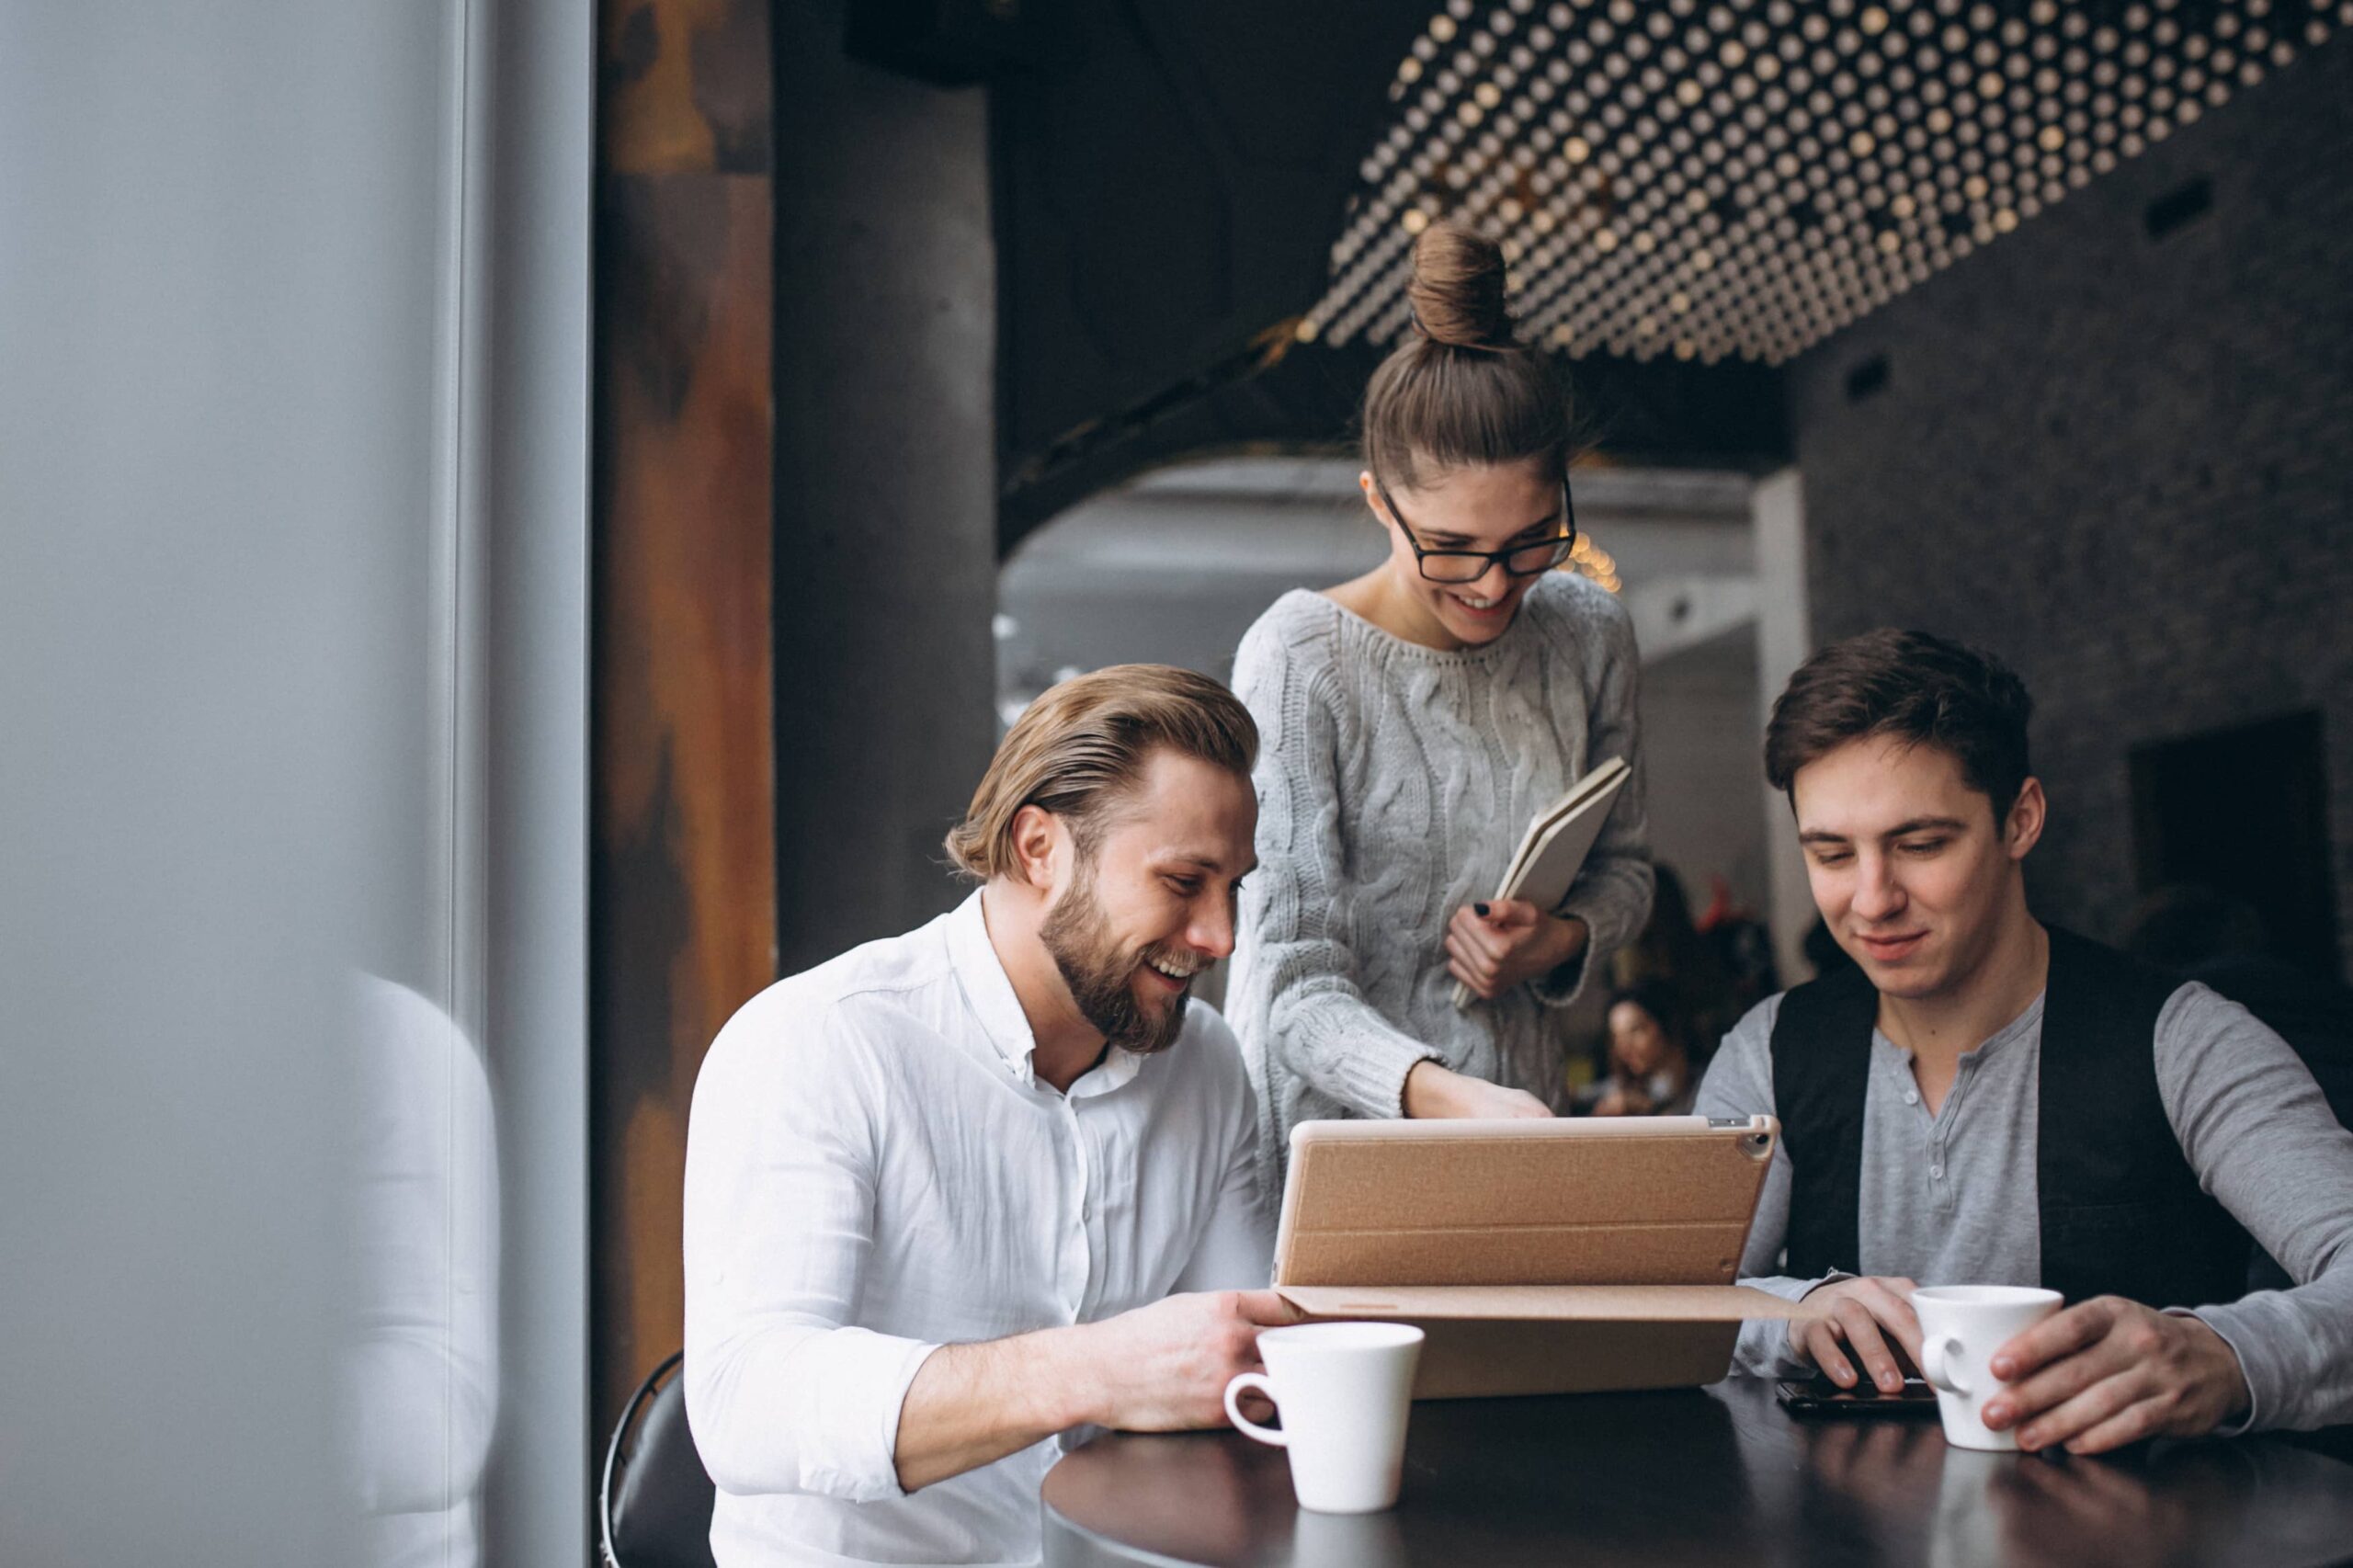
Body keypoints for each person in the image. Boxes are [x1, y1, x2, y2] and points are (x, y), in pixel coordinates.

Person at [683, 665, 1294, 1568]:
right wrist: (1090, 1367)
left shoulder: (1205, 1065)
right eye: (1182, 880)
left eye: (1234, 885)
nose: (1221, 936)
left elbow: (1238, 1369)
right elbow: (745, 1405)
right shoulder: (820, 1038)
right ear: (1039, 846)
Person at [1697, 629, 2353, 1452]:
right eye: (1832, 854)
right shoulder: (1769, 1051)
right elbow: (1670, 1302)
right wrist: (1791, 1315)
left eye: (1921, 845)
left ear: (2021, 820)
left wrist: (2225, 1356)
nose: (1872, 900)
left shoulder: (2184, 1040)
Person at [1228, 221, 1653, 1197]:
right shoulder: (1298, 657)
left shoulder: (1589, 634)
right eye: (1454, 548)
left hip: (1513, 1136)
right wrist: (1444, 1094)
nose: (1496, 585)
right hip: (1332, 1161)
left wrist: (1559, 939)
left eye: (1533, 539)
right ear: (1380, 503)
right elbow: (1290, 982)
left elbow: (1626, 869)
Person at [1580, 981, 1700, 1116]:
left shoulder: (1705, 1085)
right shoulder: (1622, 1088)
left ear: (1666, 1026)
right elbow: (1582, 1095)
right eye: (1616, 1037)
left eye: (1636, 1030)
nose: (1623, 1047)